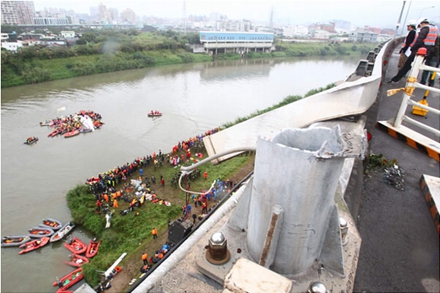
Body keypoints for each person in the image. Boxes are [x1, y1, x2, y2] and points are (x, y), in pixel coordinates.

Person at [388, 18, 439, 84]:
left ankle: (395, 80)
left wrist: (413, 48)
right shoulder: (435, 29)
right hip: (427, 51)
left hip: (419, 51)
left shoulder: (425, 29)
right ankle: (411, 81)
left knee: (407, 65)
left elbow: (419, 40)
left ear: (422, 23)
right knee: (416, 67)